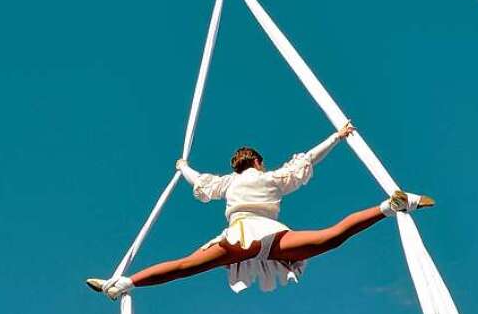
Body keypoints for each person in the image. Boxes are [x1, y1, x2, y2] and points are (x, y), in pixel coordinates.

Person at [87, 123, 433, 299]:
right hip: (272, 237)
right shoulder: (271, 179)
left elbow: (200, 183)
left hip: (240, 237)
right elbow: (307, 160)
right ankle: (389, 206)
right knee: (330, 238)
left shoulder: (227, 183)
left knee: (182, 267)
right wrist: (337, 137)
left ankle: (123, 283)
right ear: (256, 160)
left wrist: (184, 167)